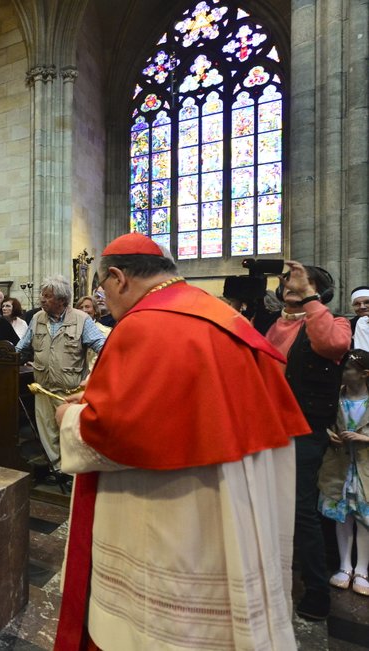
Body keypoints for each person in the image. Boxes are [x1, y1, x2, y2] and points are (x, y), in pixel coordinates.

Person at [53, 233, 308, 651]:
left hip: (177, 516)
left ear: (117, 278)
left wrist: (71, 418)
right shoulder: (217, 313)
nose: (106, 304)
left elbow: (117, 433)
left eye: (102, 290)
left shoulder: (144, 322)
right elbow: (176, 405)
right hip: (237, 498)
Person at [266, 260, 351, 620]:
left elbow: (332, 344)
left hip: (303, 429)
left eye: (302, 282)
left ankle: (316, 591)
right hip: (269, 428)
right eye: (289, 281)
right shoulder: (276, 325)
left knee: (301, 511)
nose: (292, 285)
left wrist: (310, 298)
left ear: (319, 290)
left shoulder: (337, 322)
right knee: (269, 507)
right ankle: (271, 579)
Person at [16, 276, 105, 479]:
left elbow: (103, 348)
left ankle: (75, 474)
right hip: (43, 387)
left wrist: (95, 376)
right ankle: (57, 471)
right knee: (48, 432)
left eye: (48, 296)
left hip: (70, 391)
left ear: (62, 300)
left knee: (71, 433)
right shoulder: (38, 318)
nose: (42, 299)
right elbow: (22, 347)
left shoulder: (81, 319)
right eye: (42, 295)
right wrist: (8, 356)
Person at [318, 349, 369, 598]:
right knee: (342, 515)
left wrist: (363, 437)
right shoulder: (335, 398)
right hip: (340, 465)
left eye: (349, 369)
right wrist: (332, 437)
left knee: (364, 519)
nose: (344, 373)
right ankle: (344, 564)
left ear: (363, 374)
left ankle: (362, 569)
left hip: (364, 467)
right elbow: (324, 424)